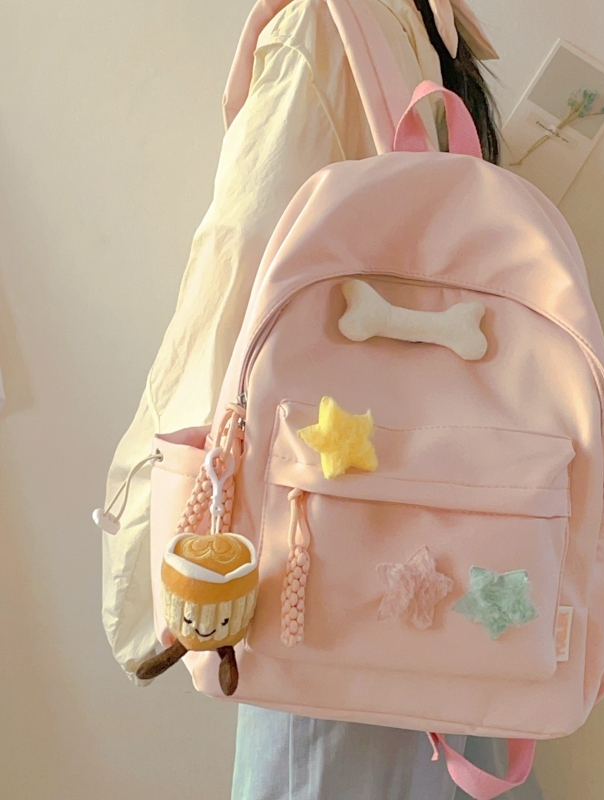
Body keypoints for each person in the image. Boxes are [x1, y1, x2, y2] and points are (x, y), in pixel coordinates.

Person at [102, 0, 542, 796]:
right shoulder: (421, 22)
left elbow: (240, 272)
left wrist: (157, 529)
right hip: (448, 514)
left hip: (327, 526)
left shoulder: (324, 23)